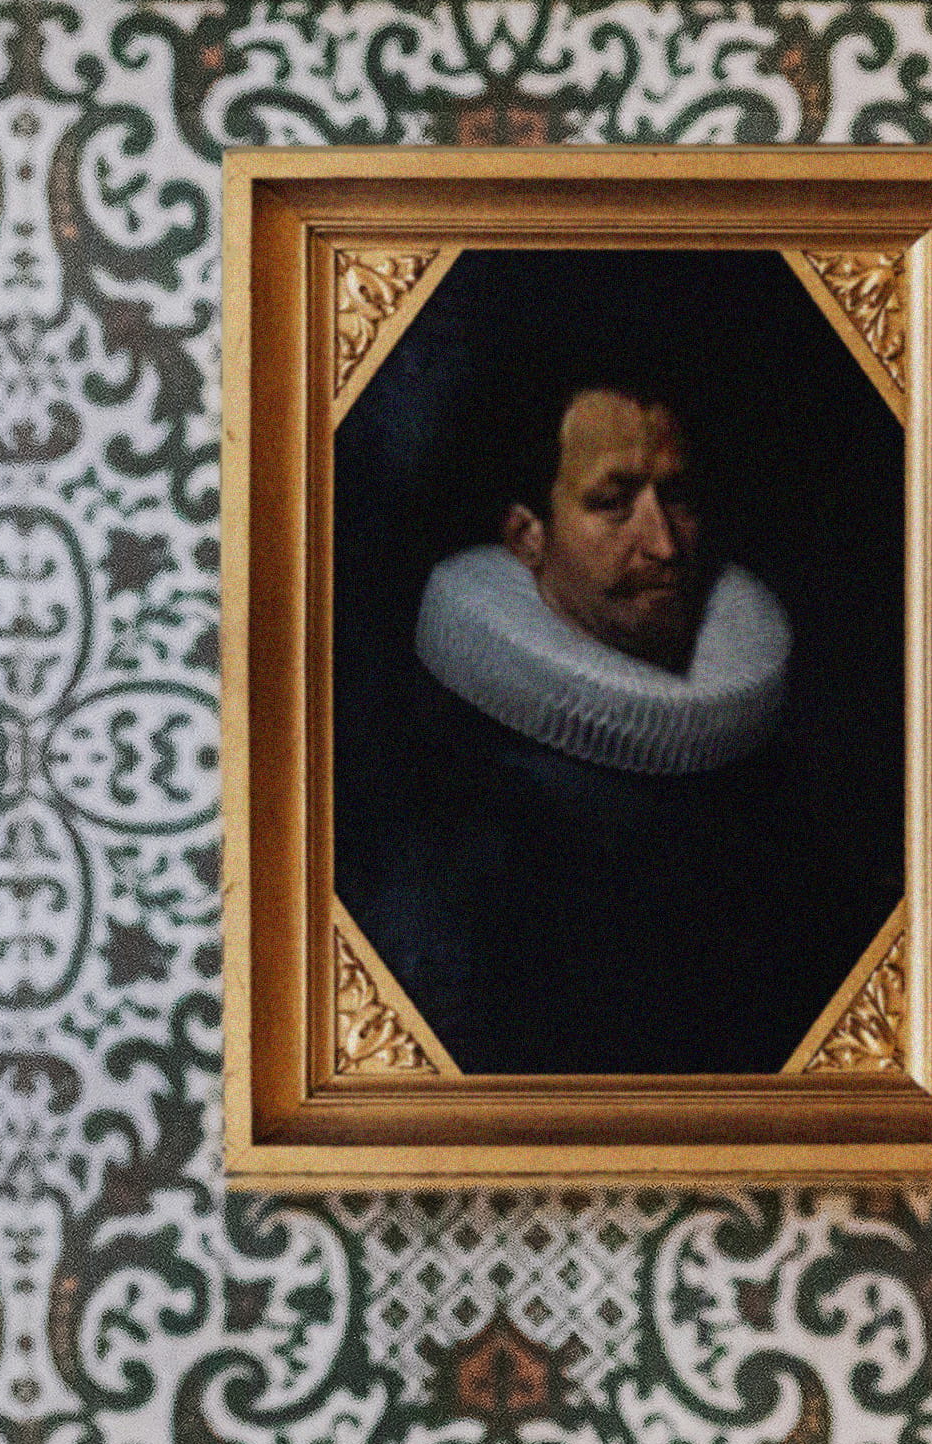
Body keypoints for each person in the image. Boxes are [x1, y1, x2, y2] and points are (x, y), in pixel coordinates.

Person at [338, 358, 898, 1077]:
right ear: (526, 536)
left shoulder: (774, 777)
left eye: (679, 499)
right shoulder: (452, 802)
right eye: (613, 503)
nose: (664, 544)